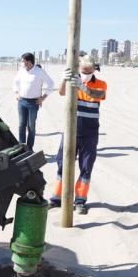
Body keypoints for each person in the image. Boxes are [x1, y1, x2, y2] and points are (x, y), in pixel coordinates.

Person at [50, 58, 106, 214]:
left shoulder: (100, 83)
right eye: (83, 71)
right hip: (70, 129)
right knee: (63, 163)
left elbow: (98, 95)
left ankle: (80, 200)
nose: (86, 74)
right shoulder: (72, 81)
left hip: (90, 132)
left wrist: (82, 87)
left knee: (86, 166)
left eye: (89, 71)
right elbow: (61, 92)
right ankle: (56, 198)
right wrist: (64, 79)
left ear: (94, 70)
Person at [12, 52, 55, 149]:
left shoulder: (39, 71)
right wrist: (16, 93)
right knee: (21, 125)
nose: (21, 63)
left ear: (29, 62)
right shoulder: (21, 70)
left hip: (33, 103)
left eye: (23, 61)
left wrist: (43, 97)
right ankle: (22, 147)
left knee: (31, 126)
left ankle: (30, 148)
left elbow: (51, 84)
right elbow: (15, 82)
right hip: (22, 101)